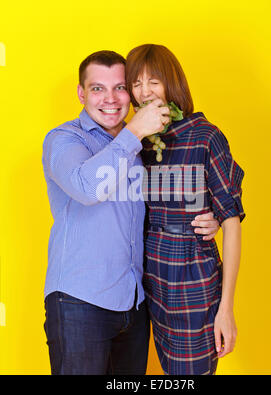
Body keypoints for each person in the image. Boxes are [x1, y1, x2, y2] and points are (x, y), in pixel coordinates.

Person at [42, 50, 218, 375]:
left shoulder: (144, 146)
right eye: (97, 88)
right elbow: (87, 187)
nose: (110, 99)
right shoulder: (64, 140)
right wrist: (133, 133)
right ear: (81, 93)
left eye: (120, 87)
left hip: (135, 305)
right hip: (80, 303)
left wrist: (212, 218)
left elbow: (166, 203)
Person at [125, 44, 245, 375]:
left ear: (171, 81)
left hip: (192, 281)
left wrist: (226, 309)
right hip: (147, 280)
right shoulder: (135, 140)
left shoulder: (205, 137)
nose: (144, 91)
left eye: (153, 81)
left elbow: (232, 222)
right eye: (136, 83)